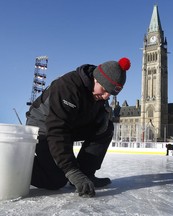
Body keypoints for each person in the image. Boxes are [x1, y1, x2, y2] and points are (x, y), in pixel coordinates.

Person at [26, 57, 131, 197]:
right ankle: (13, 164)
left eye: (110, 94)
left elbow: (95, 124)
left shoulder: (98, 95)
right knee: (56, 180)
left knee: (105, 127)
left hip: (70, 125)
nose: (106, 97)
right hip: (43, 127)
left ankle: (87, 173)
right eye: (104, 90)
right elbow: (57, 130)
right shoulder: (68, 86)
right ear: (97, 79)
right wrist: (72, 171)